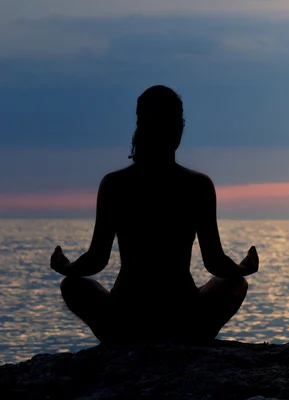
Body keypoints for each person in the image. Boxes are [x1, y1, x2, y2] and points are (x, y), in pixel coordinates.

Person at [50, 85, 259, 343]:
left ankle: (121, 342)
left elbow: (96, 259)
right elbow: (214, 262)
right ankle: (190, 340)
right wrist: (242, 268)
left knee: (72, 286)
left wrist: (67, 267)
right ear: (178, 127)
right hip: (182, 314)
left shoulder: (115, 184)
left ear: (140, 125)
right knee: (236, 284)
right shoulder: (198, 185)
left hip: (126, 314)